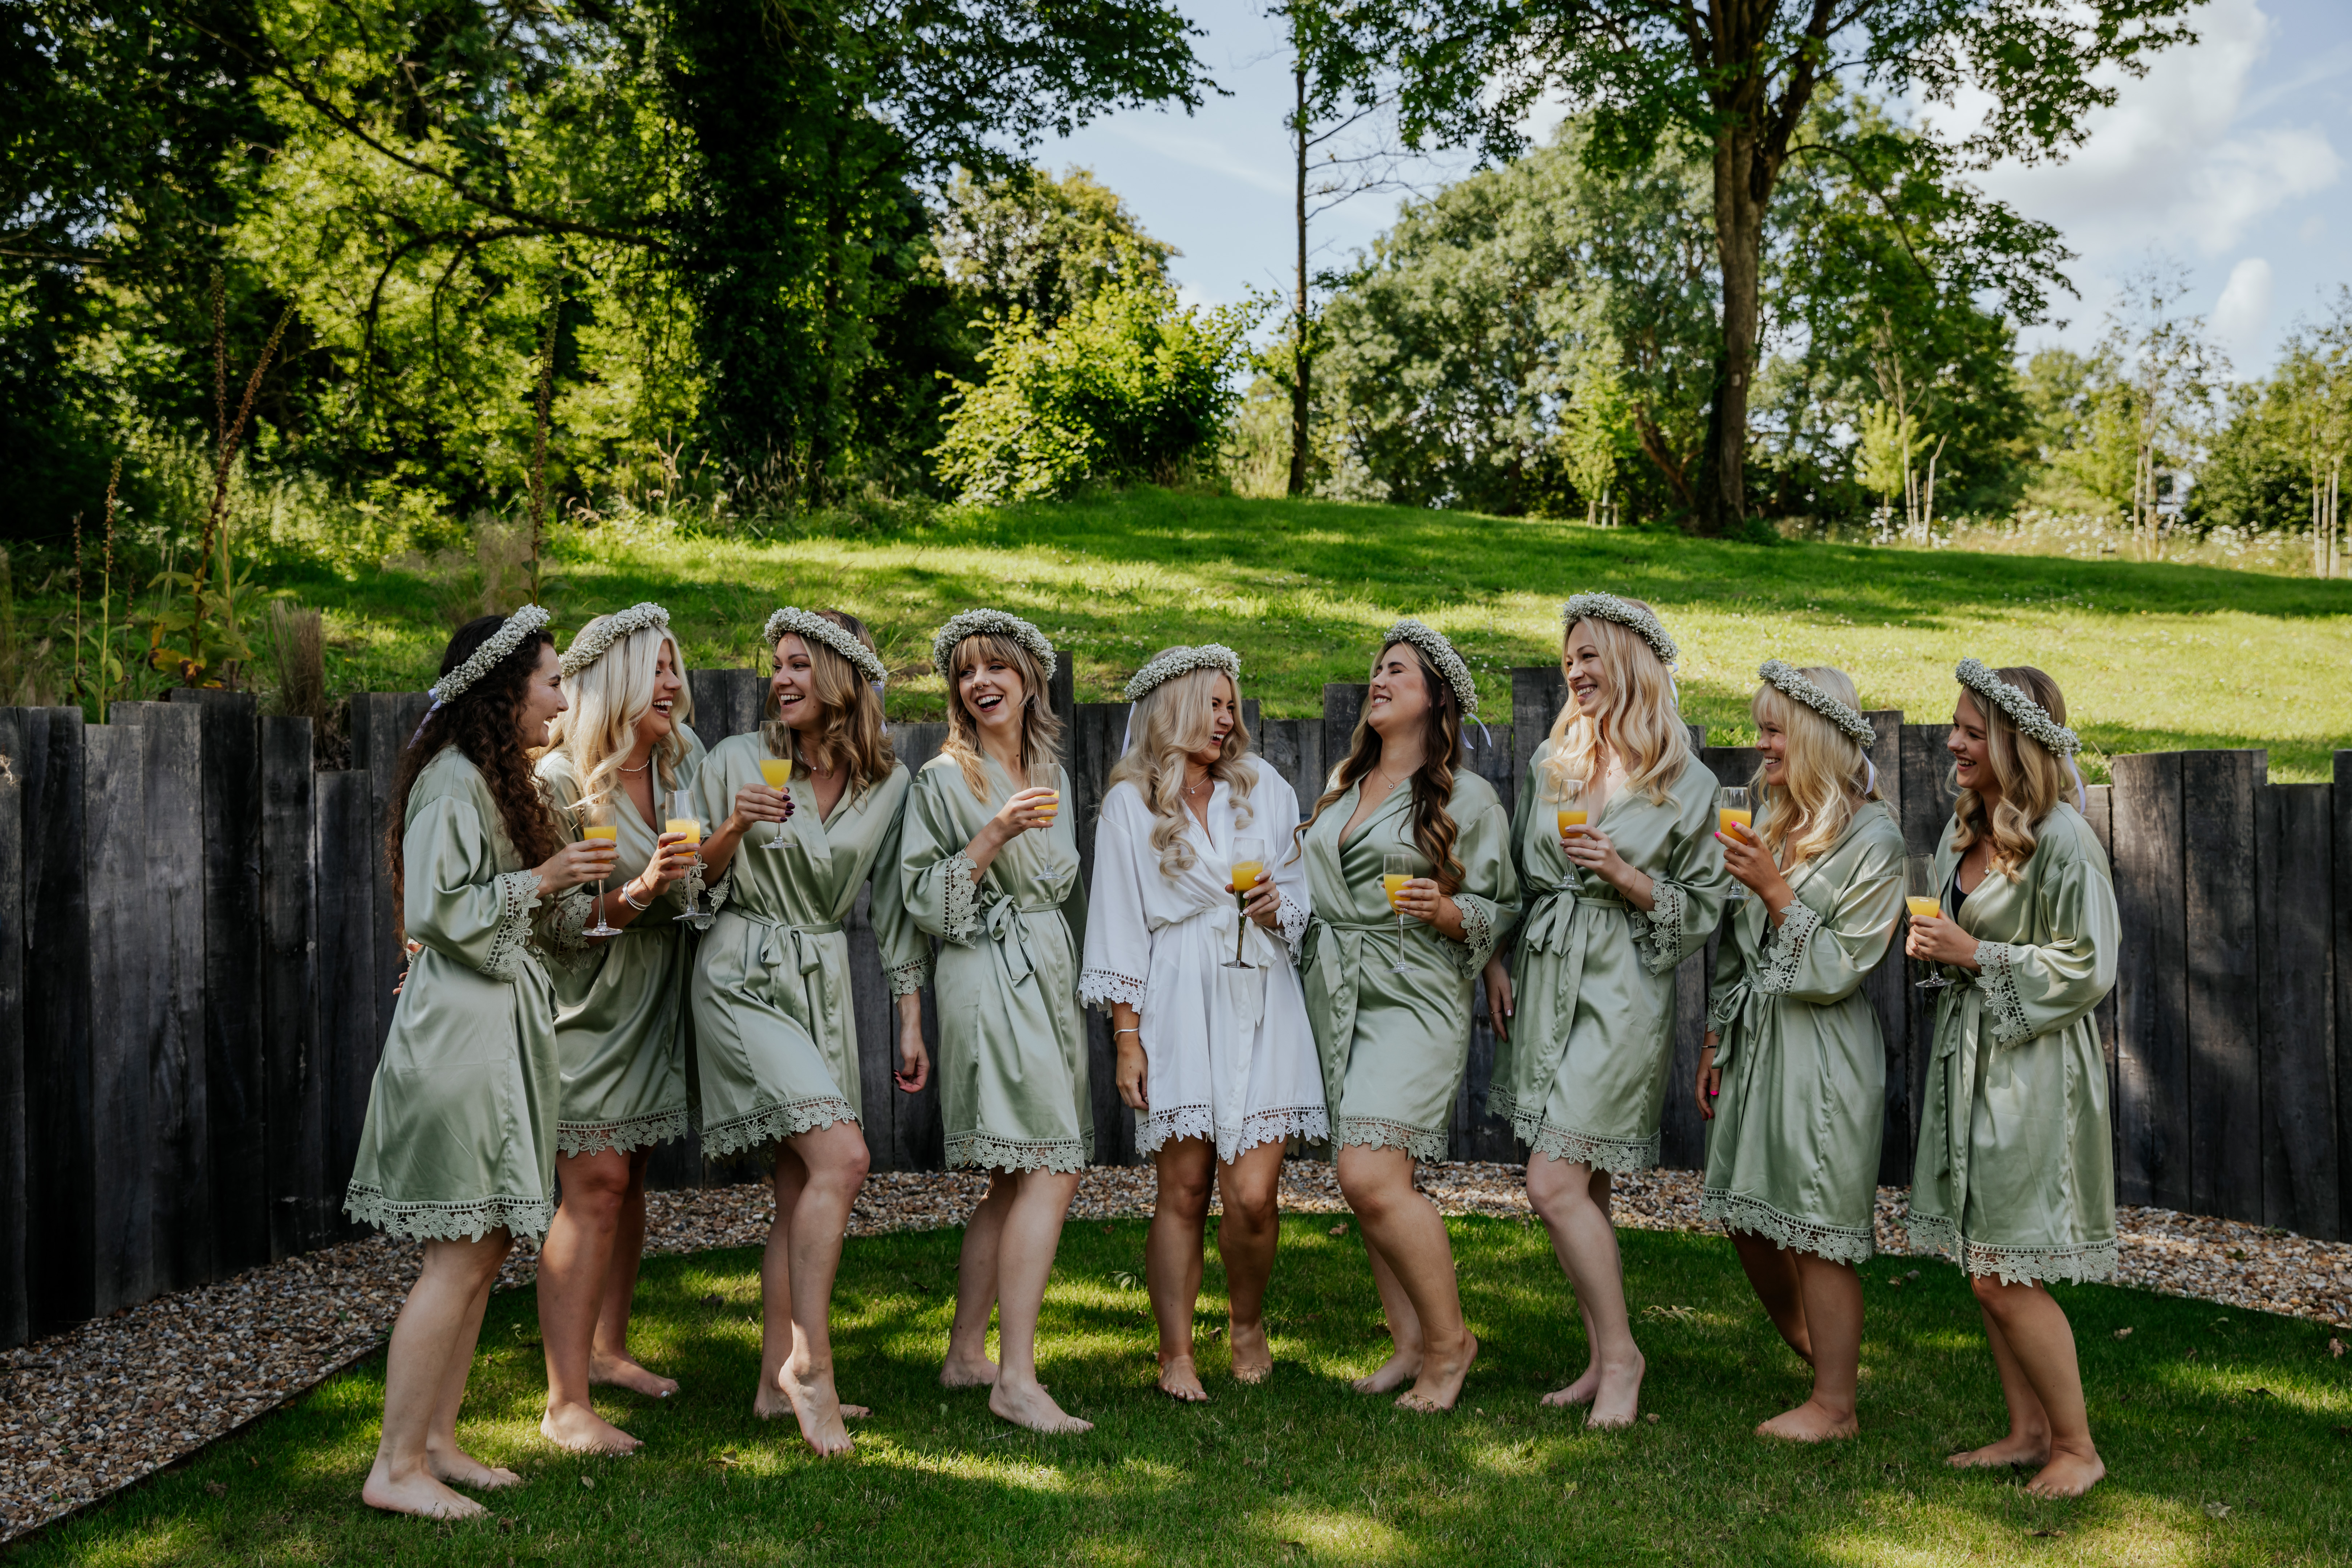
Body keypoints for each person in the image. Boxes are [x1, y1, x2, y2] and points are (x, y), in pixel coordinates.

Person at [345, 606, 617, 1518]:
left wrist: (596, 889)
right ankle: (394, 1467)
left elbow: (538, 924)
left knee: (488, 1238)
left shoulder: (503, 783)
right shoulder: (452, 781)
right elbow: (436, 909)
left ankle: (435, 1440)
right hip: (459, 1041)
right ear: (504, 690)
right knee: (458, 1253)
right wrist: (544, 878)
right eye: (549, 680)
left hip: (501, 1037)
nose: (561, 698)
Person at [689, 608, 931, 1455]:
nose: (781, 679)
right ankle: (811, 1367)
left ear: (844, 678)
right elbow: (687, 884)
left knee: (801, 1187)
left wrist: (907, 1013)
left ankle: (767, 1384)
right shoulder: (731, 759)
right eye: (777, 664)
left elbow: (895, 908)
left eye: (800, 664)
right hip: (740, 973)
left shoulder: (887, 784)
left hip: (822, 984)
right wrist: (733, 828)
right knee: (845, 1157)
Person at [1489, 593, 1727, 1428]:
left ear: (1628, 662)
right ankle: (1599, 1356)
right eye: (1568, 660)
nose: (1576, 672)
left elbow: (1703, 908)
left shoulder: (1686, 784)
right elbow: (1516, 876)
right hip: (1550, 971)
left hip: (1622, 987)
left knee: (1551, 1179)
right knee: (1578, 1180)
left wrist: (1625, 875)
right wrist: (1493, 955)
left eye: (1589, 656)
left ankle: (1623, 1355)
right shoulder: (1554, 760)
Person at [1081, 645, 1324, 1401]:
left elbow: (1301, 889)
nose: (1229, 719)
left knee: (1252, 1193)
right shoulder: (1128, 804)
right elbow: (1120, 923)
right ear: (1174, 707)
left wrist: (1280, 907)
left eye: (1232, 705)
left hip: (1261, 989)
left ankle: (1245, 1321)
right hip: (1176, 995)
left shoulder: (1265, 788)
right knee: (1182, 1188)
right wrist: (1127, 1037)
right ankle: (1175, 1351)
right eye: (1214, 704)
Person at [1906, 661, 2119, 1499]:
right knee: (1983, 1259)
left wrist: (1976, 954)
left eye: (1969, 729)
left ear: (2012, 741)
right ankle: (2026, 1429)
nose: (1951, 741)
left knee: (2003, 1265)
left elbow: (2090, 962)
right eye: (1953, 725)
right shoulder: (1962, 829)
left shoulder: (2062, 836)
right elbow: (1955, 937)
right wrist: (1941, 950)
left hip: (2032, 1072)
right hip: (1969, 1057)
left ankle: (2076, 1445)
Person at [1295, 619, 1518, 1414]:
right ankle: (1409, 1342)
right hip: (1338, 990)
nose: (1378, 681)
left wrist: (1450, 911)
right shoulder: (1344, 784)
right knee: (1365, 1182)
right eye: (1376, 670)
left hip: (1413, 992)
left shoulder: (1466, 796)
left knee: (1369, 1172)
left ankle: (1450, 1344)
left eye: (1398, 671)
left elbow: (1500, 905)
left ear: (1434, 699)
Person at [1695, 661, 1905, 1441]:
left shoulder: (1874, 839)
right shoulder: (1770, 815)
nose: (1761, 744)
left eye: (1773, 729)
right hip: (1757, 1041)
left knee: (1815, 1223)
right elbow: (1733, 946)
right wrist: (1715, 1037)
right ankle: (1816, 1349)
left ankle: (1833, 1404)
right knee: (1747, 1212)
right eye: (1760, 728)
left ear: (1815, 735)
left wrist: (1776, 891)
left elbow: (1844, 964)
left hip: (1821, 1049)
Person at [899, 608, 1093, 1433]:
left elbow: (1066, 890)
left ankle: (963, 1353)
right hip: (986, 967)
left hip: (1047, 971)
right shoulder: (944, 779)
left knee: (1014, 1174)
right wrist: (991, 836)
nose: (980, 683)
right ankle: (1015, 1378)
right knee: (1052, 1165)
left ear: (1027, 678)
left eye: (995, 668)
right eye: (966, 673)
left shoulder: (1046, 767)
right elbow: (920, 898)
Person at [532, 602, 704, 1455]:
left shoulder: (681, 763)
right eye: (657, 668)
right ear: (616, 683)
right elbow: (559, 925)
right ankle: (564, 1402)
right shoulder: (559, 781)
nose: (673, 682)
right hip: (589, 1004)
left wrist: (724, 841)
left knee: (629, 1176)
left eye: (675, 667)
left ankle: (606, 1352)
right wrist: (641, 888)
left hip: (657, 996)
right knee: (591, 1183)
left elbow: (706, 877)